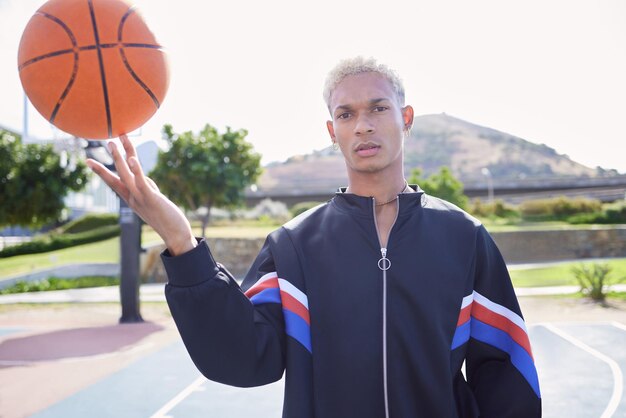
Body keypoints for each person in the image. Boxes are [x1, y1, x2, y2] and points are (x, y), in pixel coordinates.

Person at [87, 57, 541, 417]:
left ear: (405, 118)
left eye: (378, 108)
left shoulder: (463, 237)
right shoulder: (294, 245)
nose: (362, 124)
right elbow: (244, 358)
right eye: (346, 113)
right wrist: (180, 240)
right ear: (332, 131)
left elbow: (506, 372)